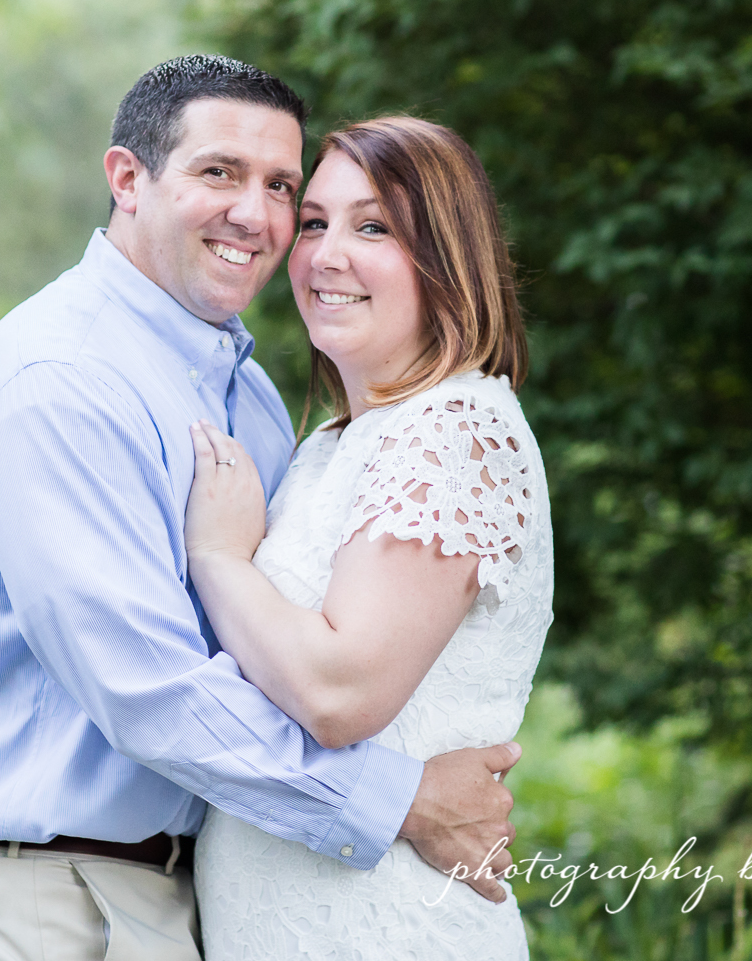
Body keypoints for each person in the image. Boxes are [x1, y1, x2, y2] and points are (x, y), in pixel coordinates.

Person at [0, 58, 520, 961]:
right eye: (219, 172)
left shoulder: (254, 396)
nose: (258, 216)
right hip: (44, 894)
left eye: (280, 187)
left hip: (190, 893)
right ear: (127, 178)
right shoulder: (59, 385)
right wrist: (399, 798)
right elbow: (147, 688)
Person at [185, 115, 553, 960]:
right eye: (314, 222)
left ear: (446, 257)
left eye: (374, 226)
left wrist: (215, 557)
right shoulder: (333, 446)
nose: (325, 255)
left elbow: (340, 693)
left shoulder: (456, 430)